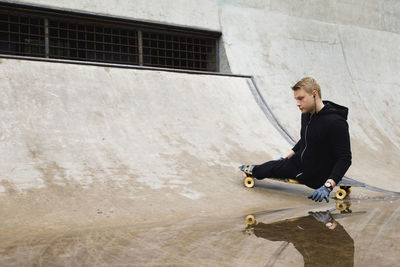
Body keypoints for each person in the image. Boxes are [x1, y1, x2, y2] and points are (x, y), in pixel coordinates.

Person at [240, 77, 352, 202]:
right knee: (271, 166)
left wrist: (328, 186)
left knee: (266, 169)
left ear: (314, 95)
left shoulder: (336, 123)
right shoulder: (306, 113)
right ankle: (258, 169)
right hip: (299, 161)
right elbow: (306, 138)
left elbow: (345, 158)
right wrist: (287, 156)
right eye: (296, 99)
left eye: (301, 98)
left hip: (313, 174)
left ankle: (256, 170)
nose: (298, 103)